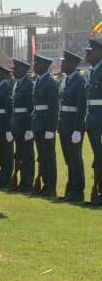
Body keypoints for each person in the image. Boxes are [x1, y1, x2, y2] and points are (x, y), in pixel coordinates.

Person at [58, 50, 87, 202]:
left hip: (73, 126)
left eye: (64, 62)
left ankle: (78, 191)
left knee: (75, 159)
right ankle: (71, 189)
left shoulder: (79, 81)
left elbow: (81, 107)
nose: (62, 64)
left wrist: (77, 129)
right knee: (69, 159)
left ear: (73, 64)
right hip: (64, 125)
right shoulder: (65, 80)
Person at [31, 54, 59, 198]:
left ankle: (51, 187)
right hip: (37, 123)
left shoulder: (50, 83)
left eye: (37, 64)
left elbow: (53, 108)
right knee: (42, 157)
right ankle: (45, 184)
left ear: (43, 66)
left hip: (45, 125)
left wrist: (50, 128)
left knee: (49, 157)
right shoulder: (38, 81)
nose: (34, 66)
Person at [10, 59, 35, 193]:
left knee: (27, 156)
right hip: (17, 125)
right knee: (19, 155)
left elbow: (30, 108)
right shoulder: (18, 84)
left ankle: (27, 183)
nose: (13, 71)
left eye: (16, 68)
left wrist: (29, 128)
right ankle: (22, 182)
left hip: (25, 126)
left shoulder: (28, 85)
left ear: (23, 70)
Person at [84, 39, 102, 206]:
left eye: (90, 51)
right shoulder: (90, 72)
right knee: (98, 157)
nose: (87, 54)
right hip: (92, 120)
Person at [0, 63, 14, 190]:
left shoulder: (7, 88)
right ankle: (0, 179)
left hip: (4, 126)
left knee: (7, 155)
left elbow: (9, 110)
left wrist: (9, 129)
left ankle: (5, 180)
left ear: (2, 75)